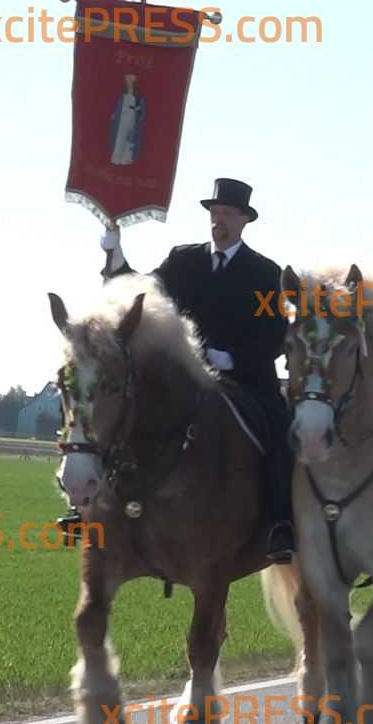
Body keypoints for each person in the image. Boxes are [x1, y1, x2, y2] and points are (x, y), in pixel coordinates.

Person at [99, 177, 293, 562]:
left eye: (225, 213)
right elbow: (143, 294)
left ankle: (281, 526)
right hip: (187, 378)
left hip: (246, 380)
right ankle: (101, 511)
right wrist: (116, 256)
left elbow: (276, 335)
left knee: (281, 436)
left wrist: (232, 358)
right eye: (213, 213)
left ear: (243, 220)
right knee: (121, 415)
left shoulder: (265, 274)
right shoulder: (183, 260)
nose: (217, 220)